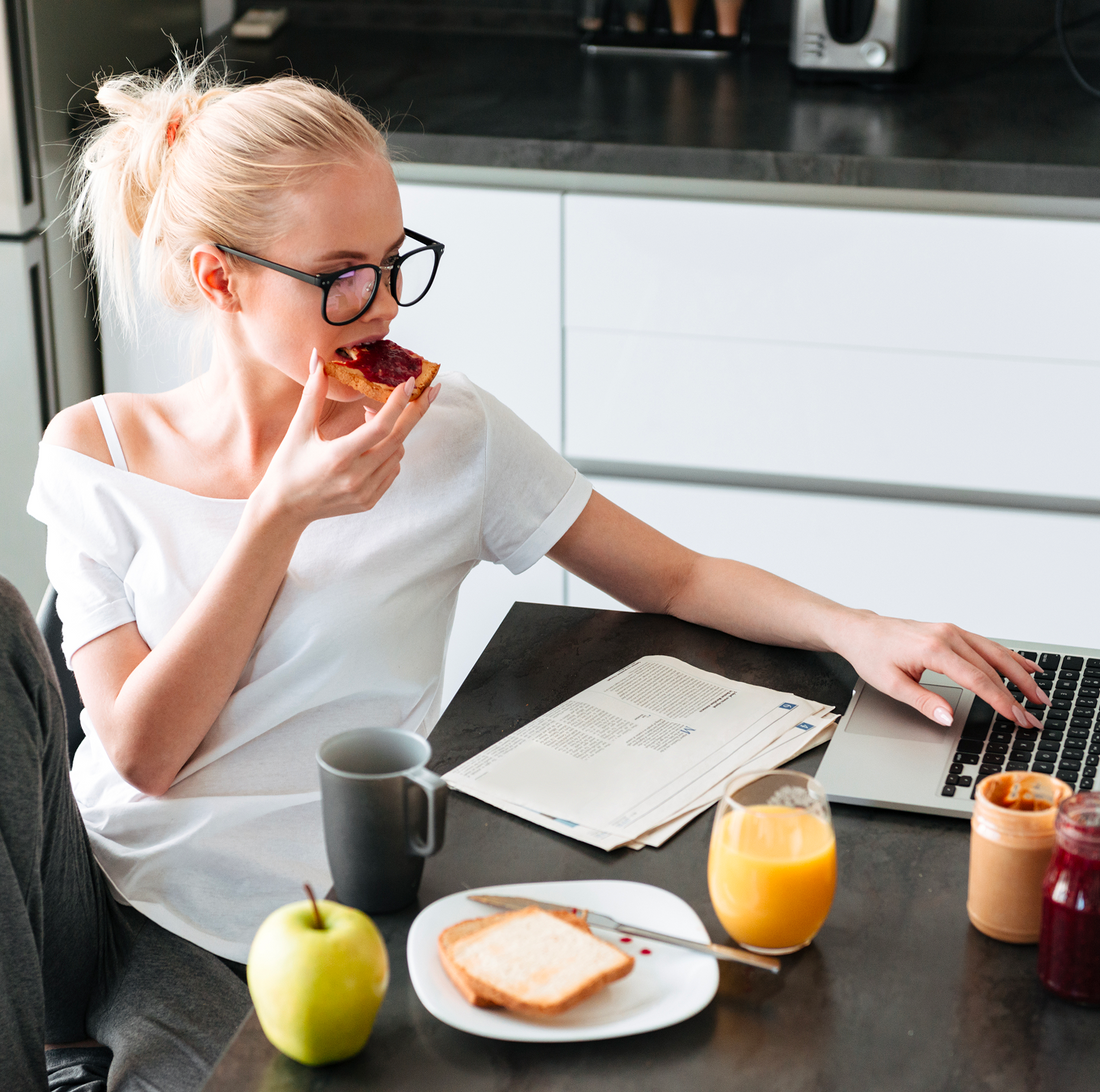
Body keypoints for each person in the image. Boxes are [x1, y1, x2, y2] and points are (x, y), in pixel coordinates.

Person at [8, 51, 1048, 1090]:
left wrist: (855, 627)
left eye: (393, 259)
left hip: (322, 904)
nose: (382, 307)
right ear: (219, 277)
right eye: (340, 279)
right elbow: (142, 758)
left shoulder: (445, 430)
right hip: (111, 890)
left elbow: (673, 578)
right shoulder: (94, 452)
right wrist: (280, 516)